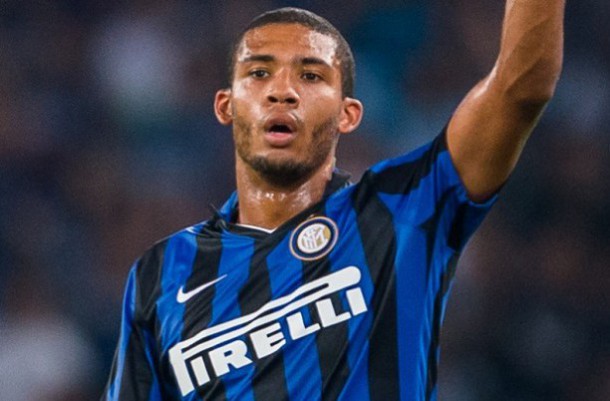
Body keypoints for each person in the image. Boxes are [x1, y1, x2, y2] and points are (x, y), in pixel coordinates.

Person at [102, 3, 565, 400]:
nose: (282, 91)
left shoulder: (400, 211)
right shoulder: (161, 274)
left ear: (348, 114)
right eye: (259, 72)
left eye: (310, 75)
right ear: (226, 105)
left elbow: (520, 88)